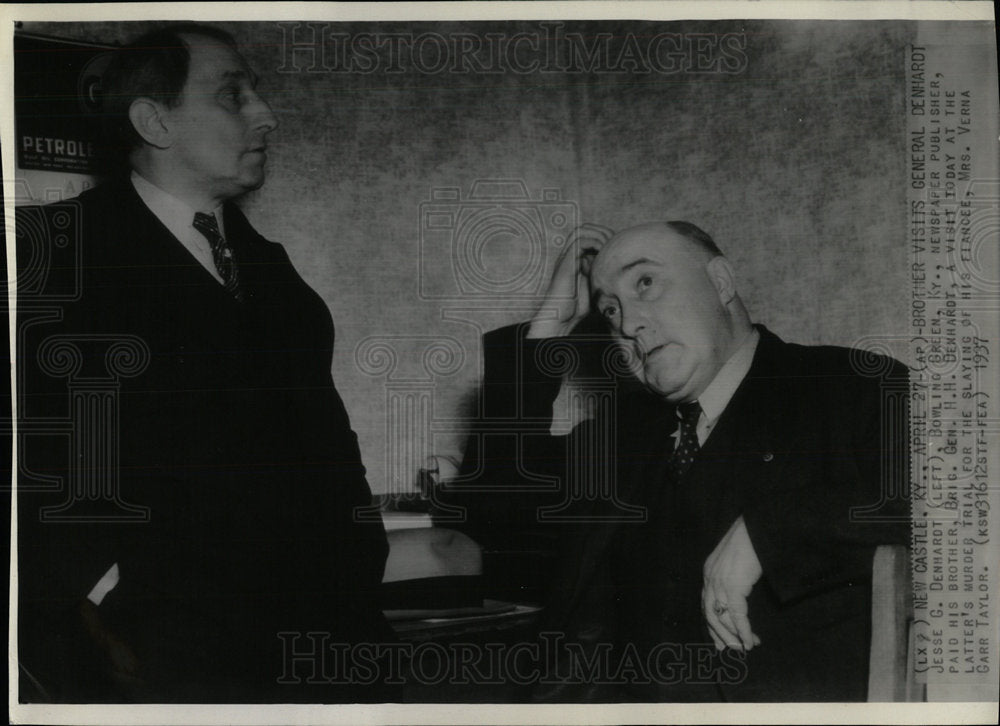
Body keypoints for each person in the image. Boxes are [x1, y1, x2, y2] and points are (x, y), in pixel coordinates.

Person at [16, 24, 393, 702]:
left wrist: (362, 559)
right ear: (154, 120)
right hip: (162, 653)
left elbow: (327, 445)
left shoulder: (273, 271)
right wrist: (94, 597)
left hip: (333, 642)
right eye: (233, 95)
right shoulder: (52, 254)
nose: (266, 114)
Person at [444, 221, 910, 701]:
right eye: (609, 309)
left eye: (645, 283)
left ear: (722, 282)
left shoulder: (852, 389)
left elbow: (957, 507)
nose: (627, 324)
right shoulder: (620, 435)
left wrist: (771, 530)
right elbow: (493, 504)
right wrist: (550, 325)